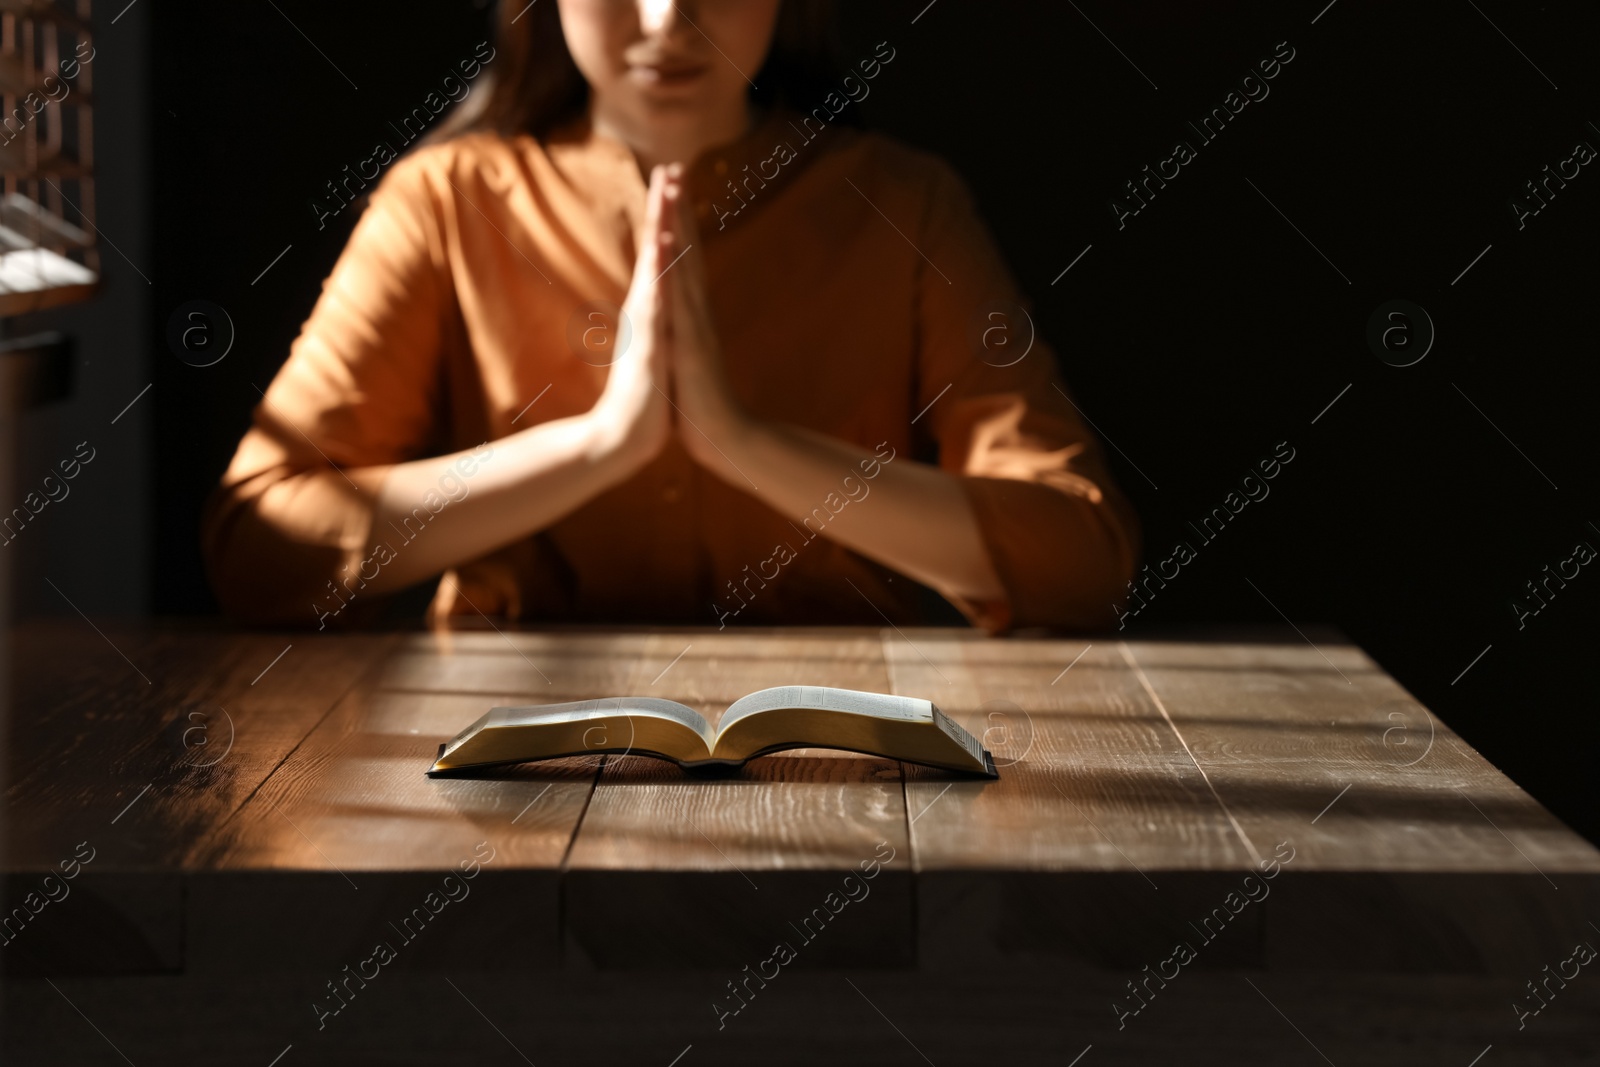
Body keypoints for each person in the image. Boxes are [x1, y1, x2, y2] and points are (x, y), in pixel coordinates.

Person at [202, 0, 1138, 634]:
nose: (665, 20)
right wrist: (598, 446)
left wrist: (744, 443)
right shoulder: (447, 202)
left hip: (833, 759)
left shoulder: (904, 202)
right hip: (509, 764)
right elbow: (260, 549)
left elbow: (1078, 556)